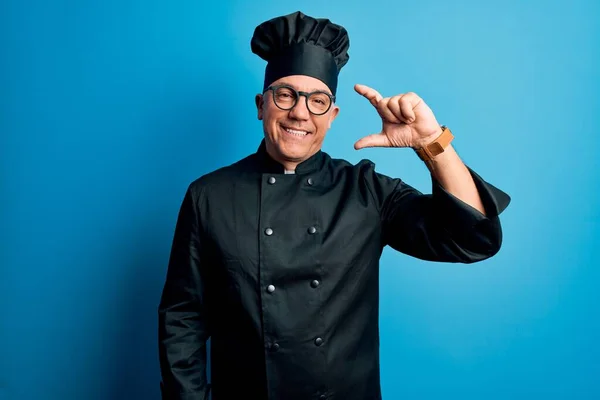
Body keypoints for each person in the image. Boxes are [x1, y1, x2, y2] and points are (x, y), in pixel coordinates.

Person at [157, 10, 510, 400]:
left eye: (318, 100)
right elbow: (182, 318)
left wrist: (431, 143)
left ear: (333, 116)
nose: (300, 112)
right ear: (262, 104)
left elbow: (473, 238)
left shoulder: (366, 191)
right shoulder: (210, 195)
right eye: (285, 94)